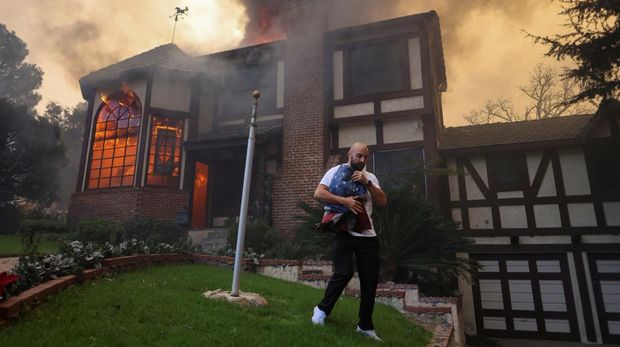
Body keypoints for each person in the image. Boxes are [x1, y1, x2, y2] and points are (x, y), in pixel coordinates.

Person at [311, 142, 387, 342]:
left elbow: (383, 201)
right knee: (343, 273)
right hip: (343, 231)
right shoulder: (334, 171)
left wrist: (367, 183)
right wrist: (344, 201)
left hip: (368, 237)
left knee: (369, 281)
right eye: (359, 156)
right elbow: (318, 193)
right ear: (349, 154)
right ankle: (321, 310)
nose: (362, 160)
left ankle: (365, 326)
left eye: (365, 157)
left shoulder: (370, 177)